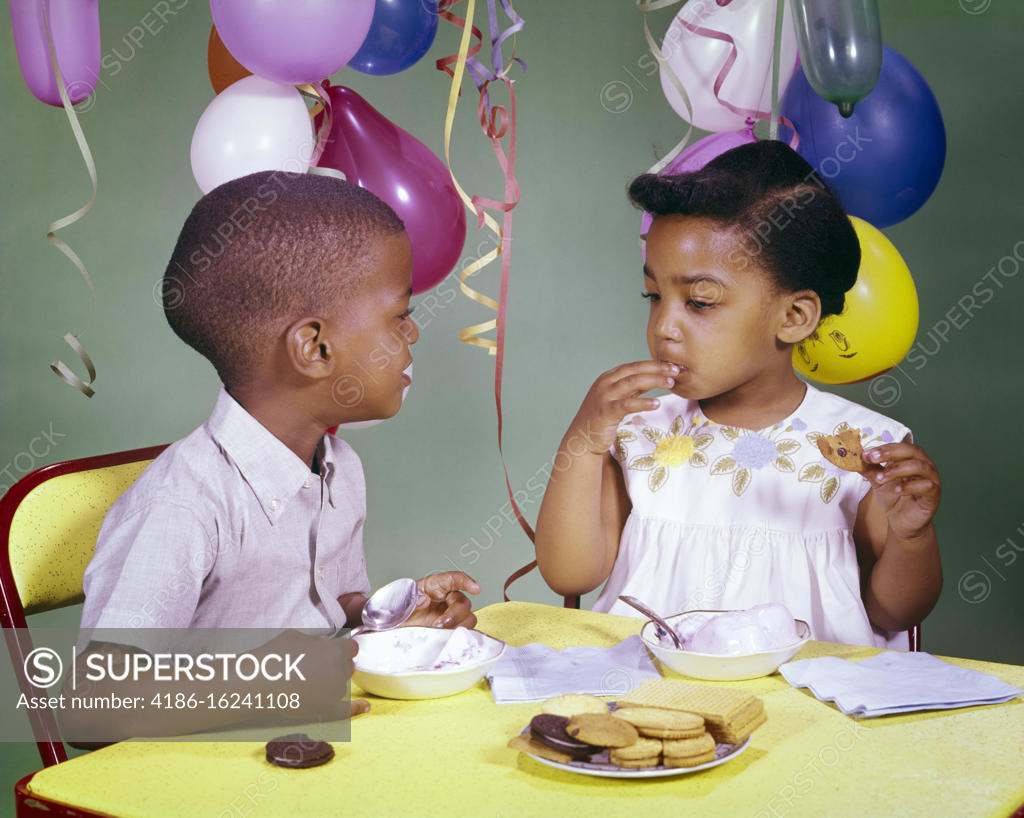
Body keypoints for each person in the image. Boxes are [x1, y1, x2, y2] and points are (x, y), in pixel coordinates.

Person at [69, 171, 479, 739]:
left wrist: (389, 617)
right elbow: (97, 706)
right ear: (315, 347)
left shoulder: (340, 467)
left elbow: (323, 607)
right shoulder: (184, 506)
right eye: (399, 315)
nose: (413, 335)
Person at [533, 141, 941, 649]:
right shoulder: (641, 430)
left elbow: (894, 610)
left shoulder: (863, 447)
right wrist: (585, 441)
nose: (664, 327)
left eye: (699, 302)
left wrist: (911, 537)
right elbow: (569, 574)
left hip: (808, 704)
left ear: (794, 317)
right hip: (650, 691)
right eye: (654, 296)